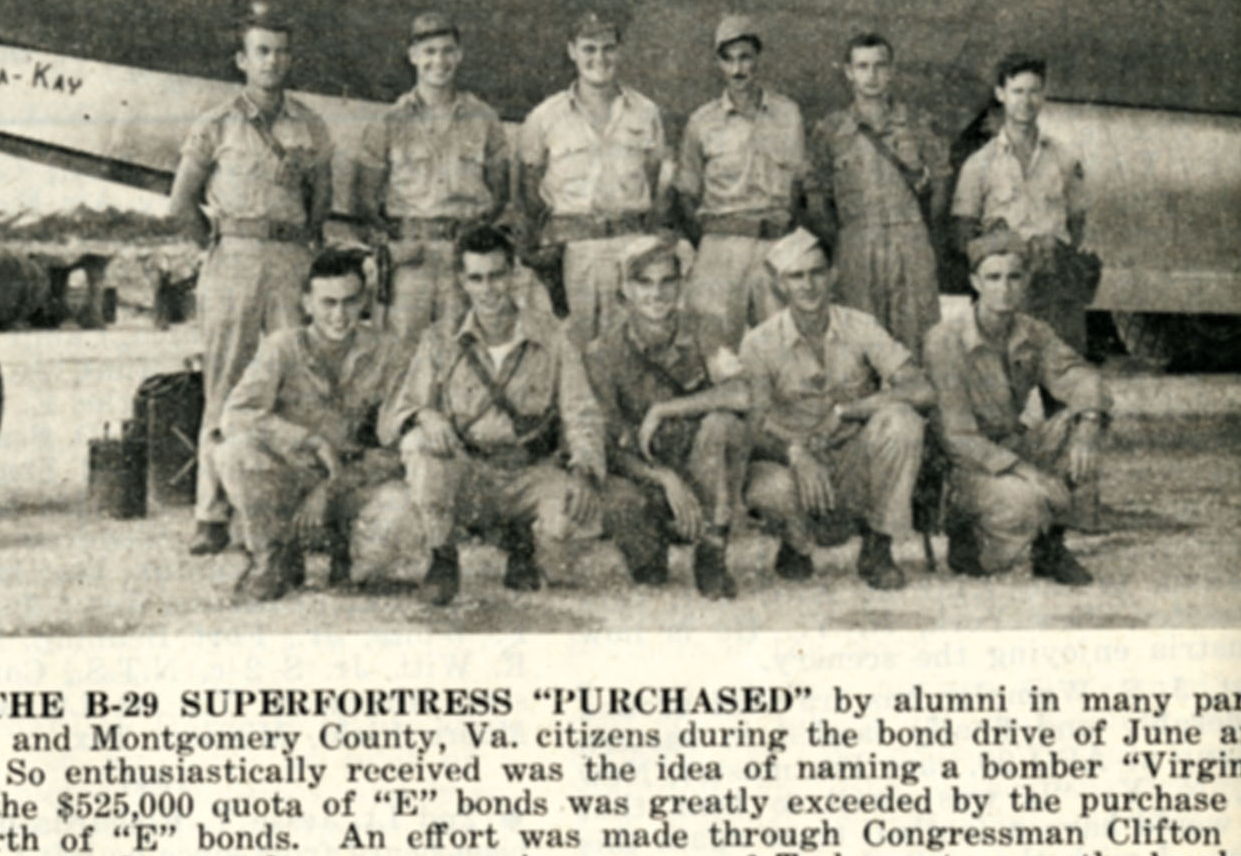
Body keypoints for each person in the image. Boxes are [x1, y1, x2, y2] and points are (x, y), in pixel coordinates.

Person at [168, 5, 333, 555]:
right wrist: (218, 247)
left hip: (289, 258)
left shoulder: (309, 125)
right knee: (226, 385)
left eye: (282, 52)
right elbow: (181, 203)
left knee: (294, 384)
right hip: (234, 257)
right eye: (262, 51)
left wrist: (296, 248)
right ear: (243, 60)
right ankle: (211, 513)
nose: (273, 62)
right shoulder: (215, 124)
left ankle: (284, 507)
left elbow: (320, 203)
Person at [379, 223, 605, 607]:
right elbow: (395, 415)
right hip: (471, 473)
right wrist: (423, 416)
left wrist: (584, 468)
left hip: (531, 473)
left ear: (515, 274)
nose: (488, 290)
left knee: (571, 527)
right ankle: (443, 556)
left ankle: (523, 540)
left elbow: (580, 412)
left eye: (497, 276)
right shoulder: (439, 339)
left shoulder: (553, 337)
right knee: (420, 445)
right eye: (477, 279)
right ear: (463, 282)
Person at [739, 228, 933, 591]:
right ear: (781, 285)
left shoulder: (859, 326)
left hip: (850, 462)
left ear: (833, 276)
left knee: (902, 422)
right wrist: (795, 453)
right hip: (795, 466)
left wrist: (848, 410)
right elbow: (753, 426)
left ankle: (878, 545)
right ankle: (796, 543)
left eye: (817, 273)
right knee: (768, 488)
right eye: (797, 276)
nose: (809, 285)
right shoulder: (759, 343)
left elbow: (919, 389)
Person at [214, 247, 406, 601]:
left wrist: (332, 487)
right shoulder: (281, 348)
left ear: (364, 301)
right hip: (294, 476)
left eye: (349, 302)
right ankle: (273, 555)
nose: (339, 315)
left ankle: (350, 556)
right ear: (306, 303)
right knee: (235, 452)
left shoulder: (388, 352)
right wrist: (308, 441)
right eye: (327, 302)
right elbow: (235, 415)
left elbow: (396, 443)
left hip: (351, 481)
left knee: (403, 511)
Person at [923, 227, 1110, 584]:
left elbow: (1080, 376)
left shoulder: (1032, 331)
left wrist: (1087, 425)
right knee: (1026, 503)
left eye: (1014, 277)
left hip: (1012, 446)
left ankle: (1050, 548)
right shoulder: (945, 340)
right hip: (965, 467)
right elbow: (957, 438)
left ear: (1026, 282)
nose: (1004, 288)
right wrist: (1032, 474)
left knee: (1087, 420)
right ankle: (969, 537)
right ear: (975, 281)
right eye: (993, 277)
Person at [584, 235, 750, 598]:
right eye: (643, 283)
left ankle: (712, 547)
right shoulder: (603, 353)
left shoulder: (705, 328)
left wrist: (665, 409)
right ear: (625, 289)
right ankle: (650, 552)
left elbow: (740, 393)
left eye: (666, 282)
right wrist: (663, 478)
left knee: (722, 423)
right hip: (646, 475)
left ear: (680, 286)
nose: (656, 294)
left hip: (700, 466)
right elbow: (607, 444)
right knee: (629, 529)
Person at [352, 10, 510, 364]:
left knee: (463, 352)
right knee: (400, 357)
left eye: (447, 51)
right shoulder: (388, 122)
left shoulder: (483, 119)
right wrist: (398, 243)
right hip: (411, 261)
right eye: (429, 52)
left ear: (459, 55)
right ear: (413, 56)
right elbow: (365, 198)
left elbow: (501, 192)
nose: (439, 61)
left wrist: (474, 234)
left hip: (463, 257)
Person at [517, 12, 667, 344]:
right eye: (589, 49)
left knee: (631, 344)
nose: (599, 58)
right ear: (572, 51)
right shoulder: (544, 117)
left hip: (630, 247)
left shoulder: (645, 113)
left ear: (620, 51)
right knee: (574, 347)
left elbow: (652, 181)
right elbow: (529, 191)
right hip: (574, 253)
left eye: (608, 48)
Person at [673, 14, 810, 351]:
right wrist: (712, 237)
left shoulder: (787, 114)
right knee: (714, 348)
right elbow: (687, 193)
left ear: (757, 58)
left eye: (745, 57)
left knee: (783, 345)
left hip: (774, 245)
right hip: (721, 245)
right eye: (729, 59)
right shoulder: (702, 123)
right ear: (718, 63)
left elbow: (798, 185)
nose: (738, 69)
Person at [810, 31, 948, 359]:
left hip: (909, 240)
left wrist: (921, 234)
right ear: (848, 72)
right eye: (862, 67)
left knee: (918, 339)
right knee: (859, 341)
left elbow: (941, 183)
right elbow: (817, 199)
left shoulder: (918, 123)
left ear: (891, 71)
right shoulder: (830, 130)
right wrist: (846, 239)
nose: (871, 76)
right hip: (857, 243)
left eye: (879, 66)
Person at [950, 52, 1094, 348]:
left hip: (1054, 283)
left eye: (1033, 91)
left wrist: (1053, 252)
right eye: (1017, 91)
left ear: (1043, 96)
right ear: (1000, 94)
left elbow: (1077, 220)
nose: (1025, 101)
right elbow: (962, 232)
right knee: (1002, 379)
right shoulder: (980, 163)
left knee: (1063, 373)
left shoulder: (1064, 158)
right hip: (1008, 285)